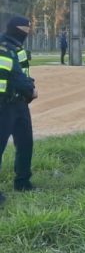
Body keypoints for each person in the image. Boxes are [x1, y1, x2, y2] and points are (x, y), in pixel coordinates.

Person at [0, 16, 37, 202]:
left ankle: (23, 182)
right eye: (25, 28)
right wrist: (30, 88)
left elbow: (22, 73)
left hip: (19, 103)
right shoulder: (3, 48)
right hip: (3, 104)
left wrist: (29, 87)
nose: (28, 32)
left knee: (25, 143)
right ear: (15, 28)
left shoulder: (17, 48)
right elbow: (13, 75)